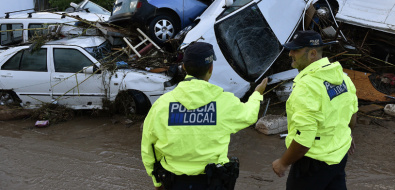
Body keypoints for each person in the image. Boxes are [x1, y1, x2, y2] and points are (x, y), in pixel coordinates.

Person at [141, 41, 268, 190]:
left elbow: (148, 147)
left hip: (174, 183)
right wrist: (256, 95)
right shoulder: (224, 101)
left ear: (184, 67)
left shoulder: (162, 105)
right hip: (213, 182)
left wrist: (157, 182)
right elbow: (249, 115)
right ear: (211, 68)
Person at [272, 30, 358, 190]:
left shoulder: (306, 87)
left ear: (312, 53)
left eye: (295, 50)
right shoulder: (344, 78)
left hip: (312, 163)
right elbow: (352, 116)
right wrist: (346, 135)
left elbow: (304, 140)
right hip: (338, 157)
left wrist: (283, 163)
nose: (290, 54)